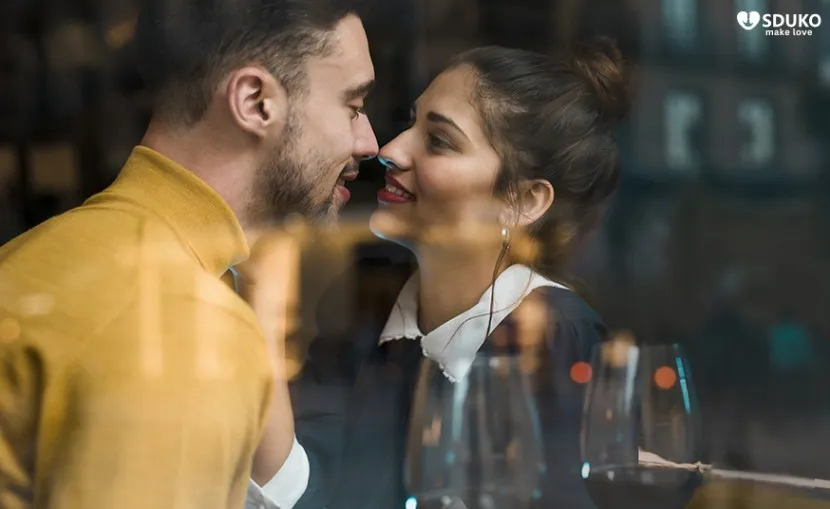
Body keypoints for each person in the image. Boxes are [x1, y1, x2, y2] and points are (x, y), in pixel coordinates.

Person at [0, 0, 378, 507]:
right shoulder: (177, 320)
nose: (369, 141)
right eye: (352, 108)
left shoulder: (31, 253)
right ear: (255, 102)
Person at [285, 37, 631, 508]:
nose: (390, 150)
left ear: (524, 201)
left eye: (439, 141)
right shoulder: (365, 302)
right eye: (411, 122)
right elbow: (304, 484)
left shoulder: (558, 338)